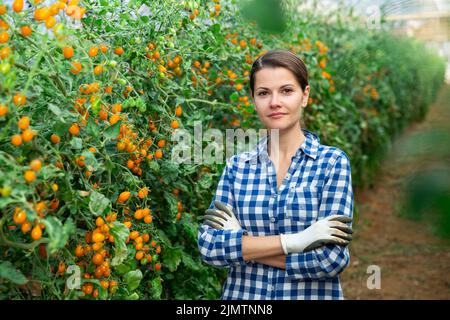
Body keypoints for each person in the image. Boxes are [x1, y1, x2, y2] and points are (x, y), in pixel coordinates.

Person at [197, 49, 354, 300]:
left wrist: (244, 243)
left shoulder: (331, 164)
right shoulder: (237, 168)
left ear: (305, 96)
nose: (274, 102)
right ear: (253, 99)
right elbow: (210, 247)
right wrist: (297, 241)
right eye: (263, 93)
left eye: (286, 91)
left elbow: (330, 260)